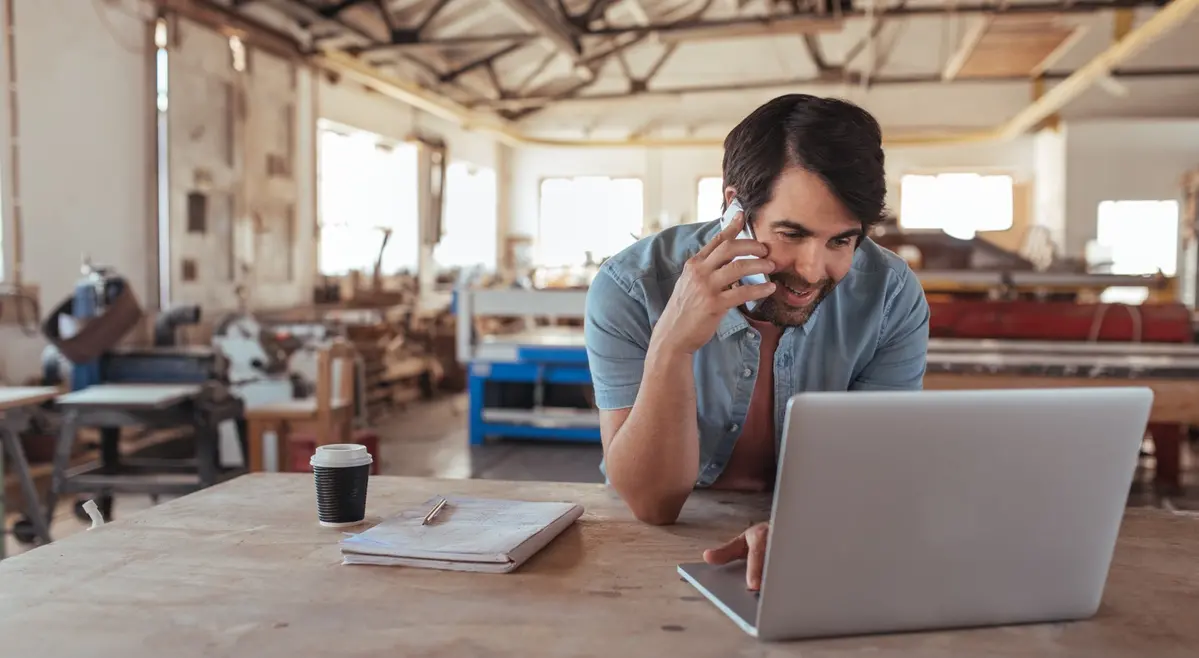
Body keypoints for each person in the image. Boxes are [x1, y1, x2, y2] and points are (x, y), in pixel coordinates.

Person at [582, 94, 931, 590]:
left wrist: (804, 530)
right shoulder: (632, 286)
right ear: (734, 209)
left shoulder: (891, 297)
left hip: (818, 539)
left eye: (841, 241)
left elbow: (872, 476)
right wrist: (672, 346)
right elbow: (652, 504)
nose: (812, 270)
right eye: (791, 234)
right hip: (651, 547)